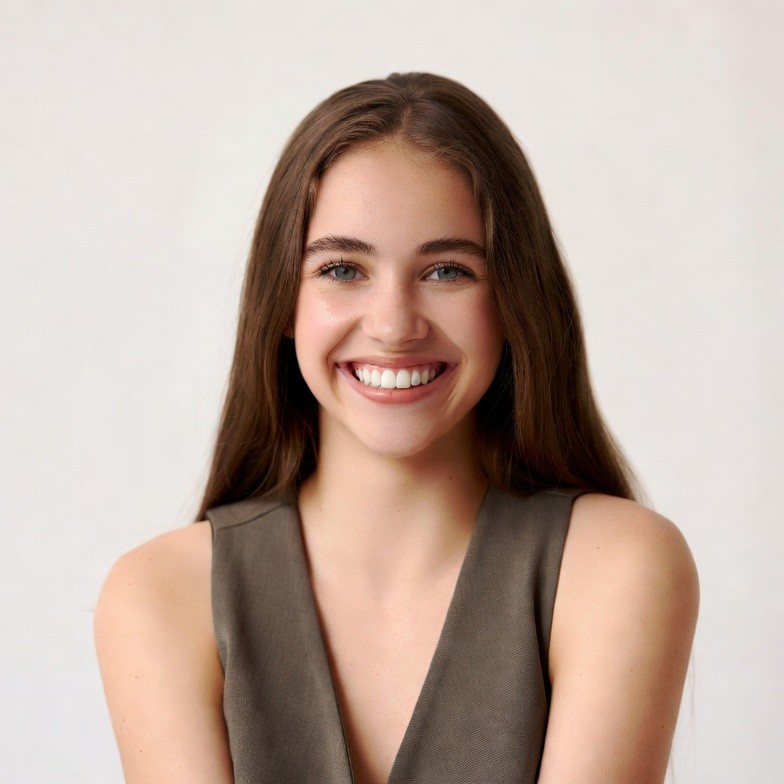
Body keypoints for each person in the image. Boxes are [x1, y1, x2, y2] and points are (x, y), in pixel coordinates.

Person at [95, 72, 699, 784]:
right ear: (281, 304)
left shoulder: (617, 567)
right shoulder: (160, 593)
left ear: (514, 299)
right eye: (343, 268)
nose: (391, 325)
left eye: (447, 270)